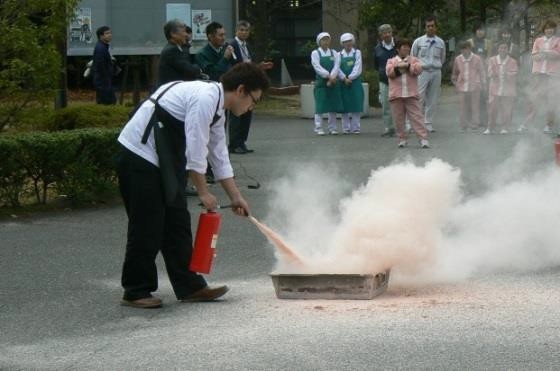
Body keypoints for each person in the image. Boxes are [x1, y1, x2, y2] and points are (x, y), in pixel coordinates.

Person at [116, 63, 270, 308]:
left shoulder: (219, 108)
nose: (252, 107)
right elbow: (196, 150)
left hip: (162, 158)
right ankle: (135, 290)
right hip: (139, 156)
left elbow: (218, 154)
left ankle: (190, 286)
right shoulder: (205, 99)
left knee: (177, 220)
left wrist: (236, 196)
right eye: (254, 100)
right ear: (241, 90)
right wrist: (203, 192)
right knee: (148, 223)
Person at [228, 20, 273, 154]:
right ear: (236, 31)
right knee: (237, 114)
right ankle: (234, 144)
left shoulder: (247, 46)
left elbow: (249, 64)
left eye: (246, 30)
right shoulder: (231, 45)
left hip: (249, 84)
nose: (244, 32)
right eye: (241, 30)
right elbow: (231, 65)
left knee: (247, 113)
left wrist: (260, 67)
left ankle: (242, 142)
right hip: (237, 84)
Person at [386, 38, 429, 148]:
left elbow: (418, 70)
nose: (406, 49)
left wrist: (408, 66)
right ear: (398, 49)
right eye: (403, 47)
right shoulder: (391, 61)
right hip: (396, 95)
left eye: (407, 47)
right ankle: (402, 139)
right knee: (398, 119)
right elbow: (389, 72)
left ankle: (423, 139)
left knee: (417, 117)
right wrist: (399, 67)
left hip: (411, 94)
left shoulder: (414, 60)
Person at [519, 20, 560, 134]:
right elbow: (535, 57)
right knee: (534, 98)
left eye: (551, 28)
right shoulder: (538, 40)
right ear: (544, 30)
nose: (549, 30)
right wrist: (549, 53)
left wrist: (544, 52)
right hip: (538, 74)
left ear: (554, 30)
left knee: (551, 100)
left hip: (552, 75)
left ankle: (549, 125)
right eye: (547, 28)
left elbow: (557, 55)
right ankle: (527, 123)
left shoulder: (558, 41)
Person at [411, 15, 446, 133]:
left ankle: (428, 122)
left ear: (436, 28)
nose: (430, 28)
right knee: (418, 97)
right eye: (428, 26)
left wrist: (436, 65)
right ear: (425, 28)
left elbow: (442, 58)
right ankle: (416, 122)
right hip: (423, 71)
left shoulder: (440, 42)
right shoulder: (418, 41)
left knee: (433, 98)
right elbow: (413, 57)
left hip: (436, 71)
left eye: (432, 26)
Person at [311, 32, 342, 135]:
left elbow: (337, 66)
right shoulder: (315, 53)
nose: (326, 42)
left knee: (332, 106)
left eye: (327, 39)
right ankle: (318, 127)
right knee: (320, 106)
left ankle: (332, 128)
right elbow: (317, 67)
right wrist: (328, 76)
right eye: (323, 40)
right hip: (321, 83)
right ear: (319, 42)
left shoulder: (334, 53)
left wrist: (332, 77)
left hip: (333, 82)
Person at [451, 41, 486, 132]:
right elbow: (454, 73)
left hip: (475, 85)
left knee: (475, 106)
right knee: (463, 106)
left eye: (466, 48)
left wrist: (483, 84)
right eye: (463, 49)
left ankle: (475, 123)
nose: (465, 51)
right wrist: (455, 83)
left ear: (470, 48)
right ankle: (464, 124)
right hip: (462, 86)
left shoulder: (477, 58)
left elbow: (482, 72)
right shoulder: (458, 59)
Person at [486, 41, 518, 134]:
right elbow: (489, 72)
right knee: (492, 109)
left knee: (507, 109)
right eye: (501, 48)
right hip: (494, 88)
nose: (503, 50)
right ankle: (490, 127)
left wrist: (506, 73)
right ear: (498, 49)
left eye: (505, 48)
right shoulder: (492, 60)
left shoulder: (513, 61)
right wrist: (494, 74)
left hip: (508, 88)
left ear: (508, 50)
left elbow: (515, 72)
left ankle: (505, 127)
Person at [157, 19, 201, 86]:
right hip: (171, 92)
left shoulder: (178, 48)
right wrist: (198, 68)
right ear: (173, 34)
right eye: (183, 31)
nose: (186, 35)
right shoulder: (172, 51)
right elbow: (190, 71)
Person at [373, 24, 397, 137]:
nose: (387, 34)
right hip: (384, 80)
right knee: (386, 105)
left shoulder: (398, 45)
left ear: (392, 33)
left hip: (398, 79)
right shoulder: (377, 49)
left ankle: (403, 127)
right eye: (384, 33)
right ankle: (389, 128)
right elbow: (376, 65)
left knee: (401, 104)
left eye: (388, 32)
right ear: (380, 35)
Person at [467, 23, 492, 128]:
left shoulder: (488, 42)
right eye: (478, 30)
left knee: (483, 96)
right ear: (475, 31)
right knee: (471, 97)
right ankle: (471, 120)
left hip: (484, 72)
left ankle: (484, 120)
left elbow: (490, 57)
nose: (480, 32)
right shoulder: (469, 42)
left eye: (482, 30)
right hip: (472, 73)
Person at [338, 32, 363, 134]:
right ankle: (346, 128)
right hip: (343, 83)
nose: (348, 43)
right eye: (345, 42)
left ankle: (356, 127)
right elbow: (337, 68)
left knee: (356, 104)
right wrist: (344, 78)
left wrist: (350, 78)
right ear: (342, 43)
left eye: (349, 41)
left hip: (355, 82)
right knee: (345, 105)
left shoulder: (357, 53)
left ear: (353, 42)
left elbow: (358, 67)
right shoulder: (338, 55)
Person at [92, 26, 116, 105]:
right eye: (107, 33)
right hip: (103, 82)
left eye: (110, 33)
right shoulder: (100, 48)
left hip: (104, 81)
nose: (110, 35)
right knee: (106, 103)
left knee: (108, 102)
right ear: (101, 36)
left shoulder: (103, 47)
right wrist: (107, 77)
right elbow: (100, 66)